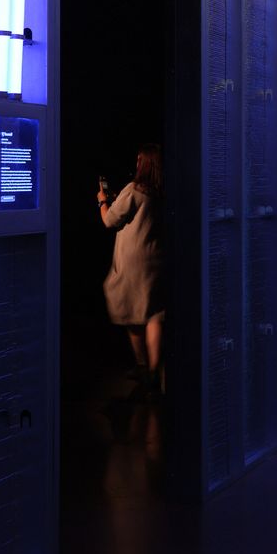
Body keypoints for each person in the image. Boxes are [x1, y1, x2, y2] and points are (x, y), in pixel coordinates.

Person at [97, 144, 165, 395]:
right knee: (154, 314)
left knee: (132, 312)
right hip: (157, 260)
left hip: (133, 262)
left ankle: (142, 365)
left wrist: (103, 202)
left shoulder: (134, 189)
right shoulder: (162, 191)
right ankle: (155, 370)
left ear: (144, 164)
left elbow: (109, 220)